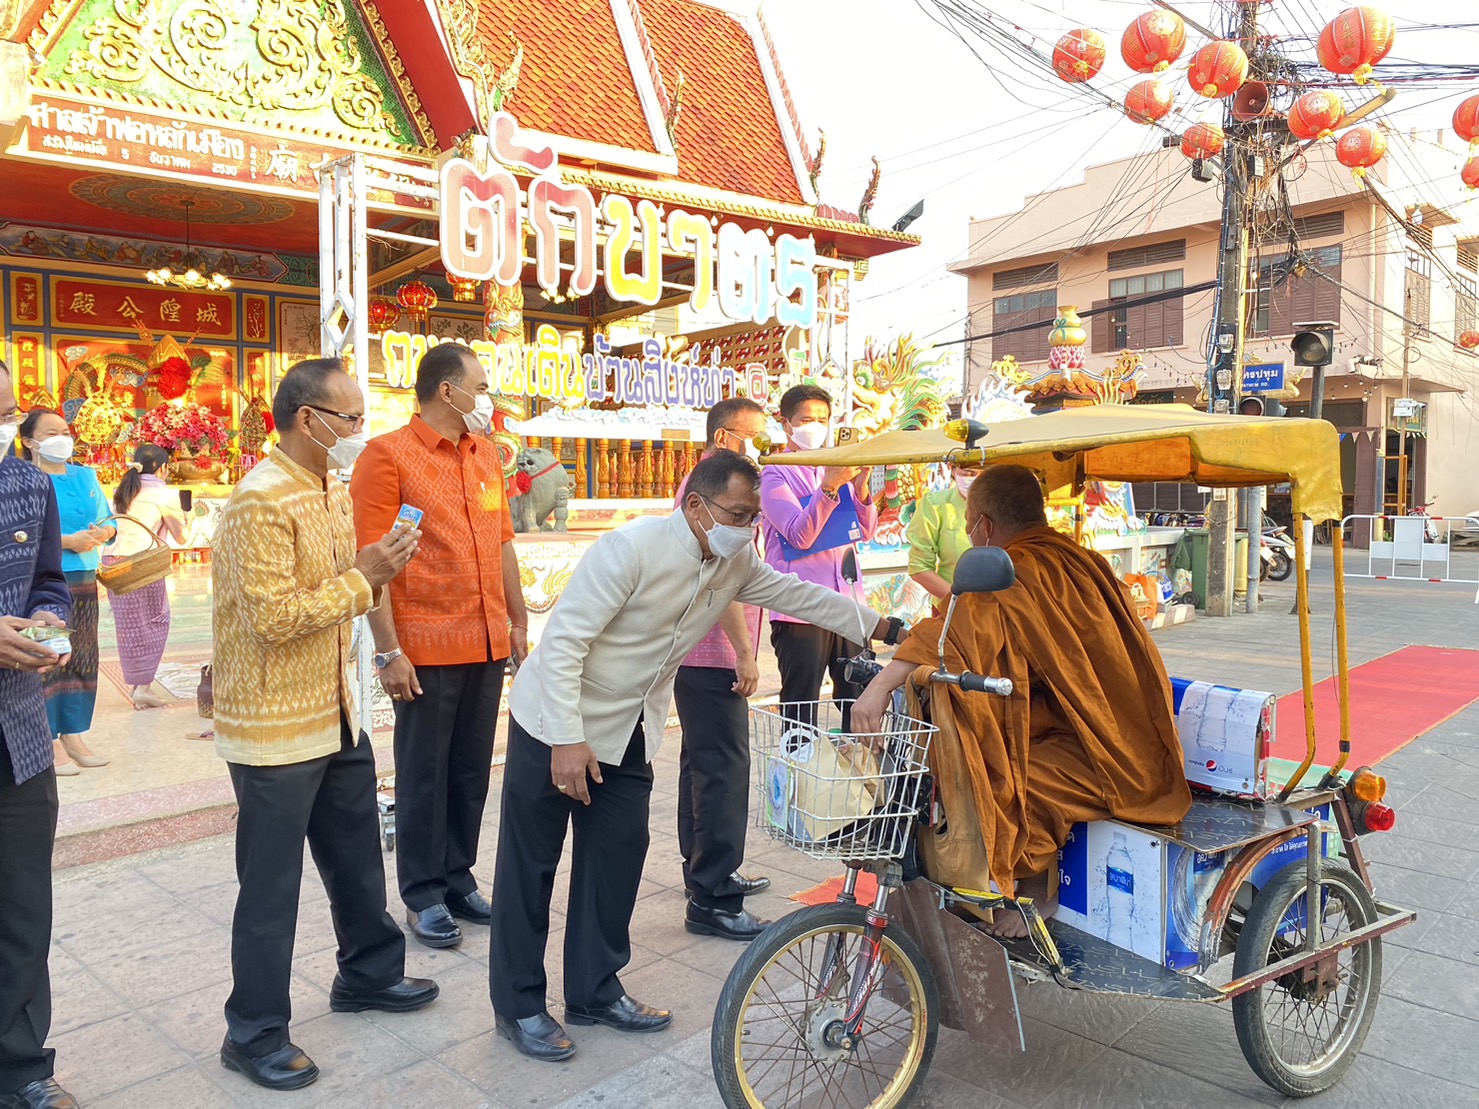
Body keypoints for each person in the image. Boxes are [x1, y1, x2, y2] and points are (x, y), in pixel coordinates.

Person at [490, 451, 907, 1063]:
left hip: (629, 730)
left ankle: (594, 991)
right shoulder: (628, 550)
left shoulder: (733, 559)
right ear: (696, 506)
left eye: (753, 517)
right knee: (531, 870)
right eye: (737, 514)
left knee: (615, 863)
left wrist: (889, 629)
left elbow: (799, 593)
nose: (747, 527)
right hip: (555, 725)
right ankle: (521, 1006)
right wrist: (565, 740)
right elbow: (564, 645)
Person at [211, 358, 436, 1091]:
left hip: (334, 710)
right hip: (273, 724)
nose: (357, 433)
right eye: (350, 419)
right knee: (271, 887)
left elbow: (350, 583)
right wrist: (364, 573)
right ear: (308, 418)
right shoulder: (258, 499)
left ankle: (368, 973)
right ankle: (254, 1031)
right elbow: (274, 618)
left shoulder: (328, 486)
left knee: (355, 859)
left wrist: (380, 573)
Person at [852, 464, 1192, 939]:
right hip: (1119, 730)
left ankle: (1038, 894)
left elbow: (954, 635)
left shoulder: (1017, 570)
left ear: (984, 526)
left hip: (1103, 751)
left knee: (1007, 780)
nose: (972, 536)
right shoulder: (1079, 557)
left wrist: (881, 685)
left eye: (970, 526)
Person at [349, 343, 529, 950]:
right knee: (424, 773)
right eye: (480, 387)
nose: (487, 398)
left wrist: (519, 621)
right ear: (447, 391)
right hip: (424, 643)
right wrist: (387, 650)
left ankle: (457, 875)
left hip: (484, 638)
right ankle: (422, 892)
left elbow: (502, 541)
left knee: (472, 769)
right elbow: (373, 561)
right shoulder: (387, 456)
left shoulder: (485, 456)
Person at [0, 361, 80, 1109]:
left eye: (4, 413)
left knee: (23, 905)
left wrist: (50, 615)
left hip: (16, 728)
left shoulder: (30, 485)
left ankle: (22, 1067)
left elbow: (49, 579)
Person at [672, 397, 772, 942]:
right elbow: (721, 580)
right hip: (710, 653)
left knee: (702, 765)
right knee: (725, 772)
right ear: (725, 438)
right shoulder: (712, 495)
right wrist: (744, 651)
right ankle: (712, 896)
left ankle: (705, 871)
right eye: (755, 435)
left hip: (699, 652)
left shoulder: (711, 486)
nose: (763, 442)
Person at [759, 385, 877, 725]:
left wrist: (860, 487)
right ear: (786, 424)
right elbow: (799, 533)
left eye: (822, 419)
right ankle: (798, 775)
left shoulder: (836, 464)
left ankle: (859, 773)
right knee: (800, 712)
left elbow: (865, 532)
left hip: (849, 606)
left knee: (858, 706)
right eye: (806, 419)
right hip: (802, 611)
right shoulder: (775, 471)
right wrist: (828, 487)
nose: (816, 426)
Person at [18, 410, 114, 776]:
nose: (62, 438)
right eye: (51, 432)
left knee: (83, 656)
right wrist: (66, 541)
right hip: (42, 583)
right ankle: (48, 739)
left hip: (84, 578)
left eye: (65, 431)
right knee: (47, 655)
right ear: (29, 441)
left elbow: (108, 520)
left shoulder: (85, 476)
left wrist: (103, 533)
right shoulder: (24, 479)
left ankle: (73, 733)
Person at [104, 444, 184, 709]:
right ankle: (143, 687)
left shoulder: (121, 489)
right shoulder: (163, 493)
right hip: (143, 564)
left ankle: (139, 686)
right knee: (155, 621)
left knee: (129, 627)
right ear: (162, 467)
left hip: (113, 563)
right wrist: (190, 516)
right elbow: (182, 536)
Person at [906, 461, 981, 609]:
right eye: (968, 472)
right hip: (952, 609)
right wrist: (961, 602)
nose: (977, 477)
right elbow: (919, 568)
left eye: (982, 471)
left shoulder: (1007, 505)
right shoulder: (935, 504)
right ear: (952, 469)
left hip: (1000, 608)